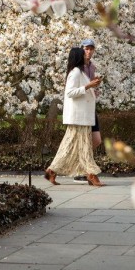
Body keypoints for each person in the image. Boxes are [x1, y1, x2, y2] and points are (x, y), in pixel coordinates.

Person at [44, 47, 104, 186]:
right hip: (79, 117)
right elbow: (70, 92)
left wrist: (92, 85)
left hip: (82, 116)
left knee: (71, 145)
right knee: (82, 145)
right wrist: (88, 86)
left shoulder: (80, 72)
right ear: (78, 57)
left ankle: (51, 171)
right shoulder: (75, 73)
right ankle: (90, 174)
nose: (86, 56)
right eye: (83, 54)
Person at [74, 39, 102, 184]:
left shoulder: (92, 67)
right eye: (86, 48)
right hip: (81, 109)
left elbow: (90, 86)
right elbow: (73, 89)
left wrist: (95, 87)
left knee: (96, 140)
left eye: (91, 49)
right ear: (81, 49)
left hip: (91, 107)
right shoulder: (77, 68)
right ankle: (83, 171)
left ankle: (81, 165)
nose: (89, 51)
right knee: (83, 141)